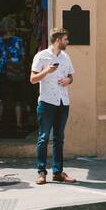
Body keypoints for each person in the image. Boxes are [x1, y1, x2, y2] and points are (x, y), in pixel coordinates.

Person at [30, 27, 75, 184]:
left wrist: (68, 80)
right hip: (47, 102)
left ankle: (58, 172)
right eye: (65, 39)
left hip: (63, 102)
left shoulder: (65, 57)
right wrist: (46, 72)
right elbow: (32, 79)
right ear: (58, 40)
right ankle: (41, 172)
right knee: (43, 138)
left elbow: (71, 76)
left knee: (59, 138)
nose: (67, 42)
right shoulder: (41, 56)